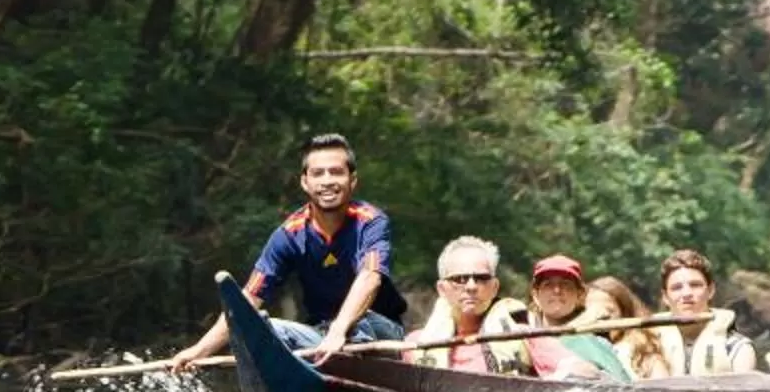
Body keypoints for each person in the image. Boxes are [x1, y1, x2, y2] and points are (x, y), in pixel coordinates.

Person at [167, 133, 408, 370]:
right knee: (262, 327)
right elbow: (248, 301)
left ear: (352, 180)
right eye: (317, 174)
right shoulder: (289, 235)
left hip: (377, 334)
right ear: (305, 182)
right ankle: (318, 382)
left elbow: (370, 277)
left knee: (357, 323)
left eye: (336, 172)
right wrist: (199, 351)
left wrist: (339, 331)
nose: (326, 181)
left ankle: (345, 369)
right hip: (322, 339)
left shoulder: (371, 221)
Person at [407, 237, 531, 372]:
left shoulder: (527, 337)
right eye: (460, 279)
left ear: (495, 287)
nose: (471, 286)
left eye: (481, 278)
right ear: (442, 289)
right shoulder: (414, 346)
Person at [638, 248, 766, 376]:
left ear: (710, 291)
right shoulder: (647, 347)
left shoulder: (737, 349)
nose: (686, 293)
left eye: (695, 285)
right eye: (677, 288)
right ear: (665, 297)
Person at [518, 257, 635, 380]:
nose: (557, 290)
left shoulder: (598, 344)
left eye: (565, 284)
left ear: (580, 294)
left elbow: (621, 385)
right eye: (548, 285)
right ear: (535, 295)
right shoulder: (520, 337)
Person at [581, 274, 660, 378]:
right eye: (592, 312)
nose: (599, 318)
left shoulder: (643, 353)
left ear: (624, 313)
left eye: (609, 311)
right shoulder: (579, 348)